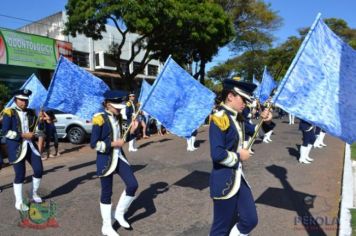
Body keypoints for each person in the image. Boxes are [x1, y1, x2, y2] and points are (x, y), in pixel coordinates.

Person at [209, 79, 272, 236]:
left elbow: (256, 131)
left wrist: (267, 121)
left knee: (250, 219)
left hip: (238, 178)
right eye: (243, 99)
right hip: (223, 181)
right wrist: (239, 156)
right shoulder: (219, 118)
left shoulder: (238, 118)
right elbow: (216, 154)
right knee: (220, 228)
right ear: (230, 96)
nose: (246, 103)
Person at [90, 90, 139, 236]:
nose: (118, 108)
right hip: (105, 159)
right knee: (107, 192)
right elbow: (93, 144)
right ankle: (106, 226)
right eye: (116, 105)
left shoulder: (118, 117)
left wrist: (134, 131)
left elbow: (123, 139)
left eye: (120, 105)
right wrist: (112, 144)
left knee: (133, 184)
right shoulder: (99, 119)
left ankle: (119, 213)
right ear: (106, 104)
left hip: (119, 157)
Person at [2, 89, 44, 211]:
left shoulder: (31, 112)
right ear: (15, 100)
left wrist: (40, 122)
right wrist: (22, 135)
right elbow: (5, 132)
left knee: (39, 170)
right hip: (16, 147)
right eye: (22, 100)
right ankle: (19, 202)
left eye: (26, 100)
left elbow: (36, 130)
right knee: (20, 174)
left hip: (30, 146)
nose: (24, 102)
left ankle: (33, 193)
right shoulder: (9, 112)